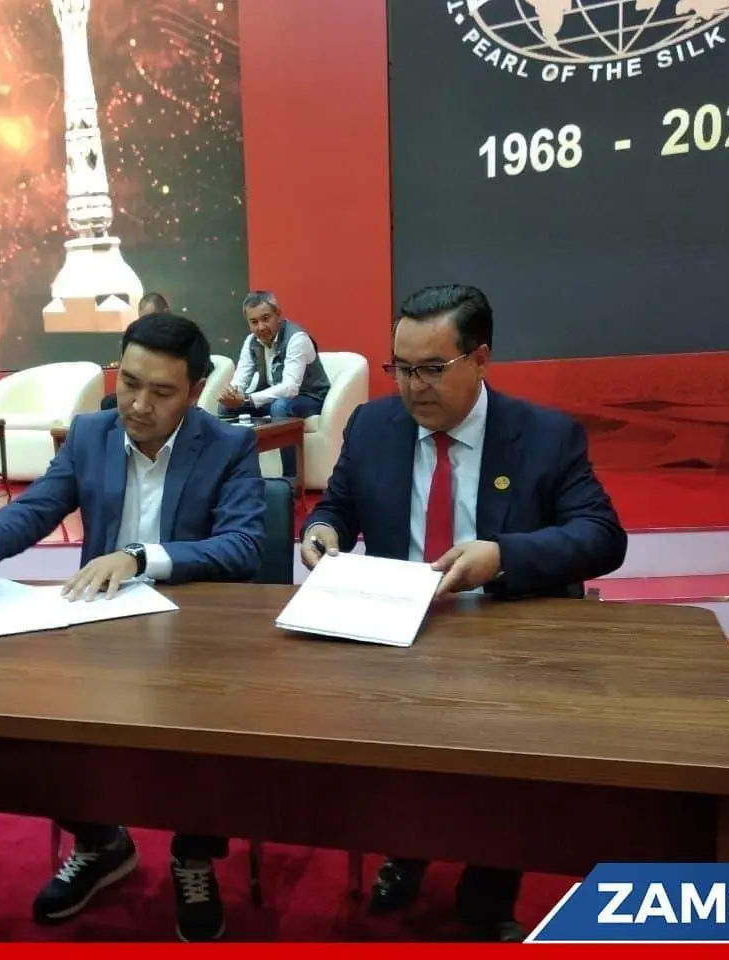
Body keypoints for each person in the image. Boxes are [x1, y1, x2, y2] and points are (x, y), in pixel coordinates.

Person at [298, 283, 627, 941]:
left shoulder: (545, 435)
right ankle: (409, 847)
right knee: (388, 750)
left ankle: (487, 888)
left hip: (506, 638)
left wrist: (502, 555)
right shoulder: (373, 426)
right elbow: (338, 507)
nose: (413, 387)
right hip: (397, 634)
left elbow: (602, 537)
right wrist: (322, 531)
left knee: (501, 766)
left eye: (431, 369)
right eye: (401, 368)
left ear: (480, 359)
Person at [0, 312, 265, 942]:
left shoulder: (228, 445)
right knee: (32, 716)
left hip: (196, 634)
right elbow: (38, 507)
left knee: (211, 727)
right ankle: (101, 840)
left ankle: (193, 856)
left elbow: (243, 544)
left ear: (195, 391)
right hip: (101, 626)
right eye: (129, 383)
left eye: (161, 392)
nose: (137, 404)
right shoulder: (91, 433)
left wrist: (140, 558)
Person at [218, 290, 329, 477]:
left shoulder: (296, 338)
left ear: (278, 315)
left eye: (265, 319)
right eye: (254, 322)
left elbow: (290, 388)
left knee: (280, 408)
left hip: (309, 397)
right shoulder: (251, 342)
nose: (261, 327)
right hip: (273, 398)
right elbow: (241, 378)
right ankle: (234, 475)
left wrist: (246, 399)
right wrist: (232, 395)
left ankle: (291, 479)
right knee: (225, 408)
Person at [100, 292, 170, 411]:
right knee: (108, 403)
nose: (147, 325)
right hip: (139, 387)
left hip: (161, 391)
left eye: (151, 319)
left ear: (166, 313)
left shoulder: (179, 339)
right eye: (143, 320)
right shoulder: (137, 337)